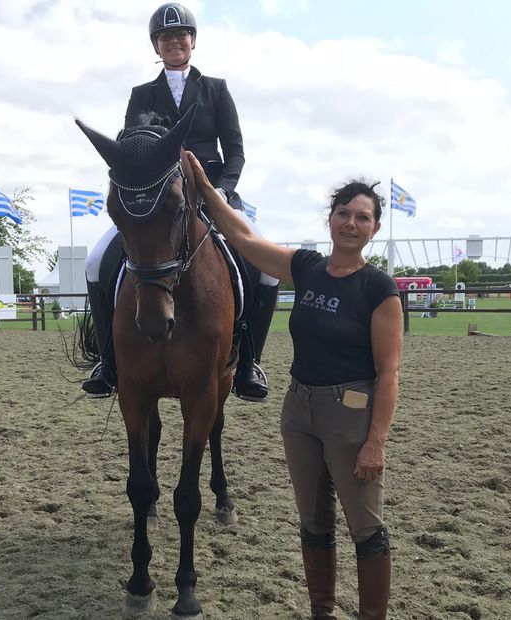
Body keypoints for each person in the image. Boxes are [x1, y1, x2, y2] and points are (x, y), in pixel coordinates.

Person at [183, 150, 402, 619]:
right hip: (299, 410)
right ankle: (322, 610)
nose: (350, 223)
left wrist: (376, 441)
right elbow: (241, 236)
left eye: (362, 217)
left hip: (351, 414)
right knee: (313, 519)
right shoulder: (306, 267)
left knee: (365, 526)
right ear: (330, 220)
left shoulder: (379, 289)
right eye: (343, 213)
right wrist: (205, 188)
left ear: (374, 229)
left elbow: (389, 373)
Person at [82, 2, 280, 402]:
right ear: (156, 46)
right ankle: (108, 360)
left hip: (212, 195)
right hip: (158, 201)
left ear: (192, 41)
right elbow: (131, 149)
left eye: (181, 35)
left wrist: (221, 191)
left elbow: (236, 151)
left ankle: (249, 363)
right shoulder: (142, 94)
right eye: (166, 37)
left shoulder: (216, 89)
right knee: (95, 261)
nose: (174, 42)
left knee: (267, 271)